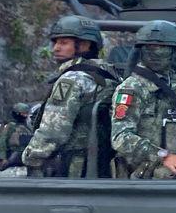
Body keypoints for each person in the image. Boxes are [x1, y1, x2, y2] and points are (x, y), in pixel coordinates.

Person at [110, 20, 176, 180]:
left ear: (175, 52)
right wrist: (164, 156)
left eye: (163, 49)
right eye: (149, 48)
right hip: (144, 172)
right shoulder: (132, 88)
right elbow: (121, 138)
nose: (155, 54)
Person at [20, 16, 119, 178]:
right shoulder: (109, 74)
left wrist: (29, 158)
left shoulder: (72, 79)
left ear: (84, 45)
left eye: (64, 43)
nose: (55, 49)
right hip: (102, 165)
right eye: (56, 43)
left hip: (74, 167)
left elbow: (53, 130)